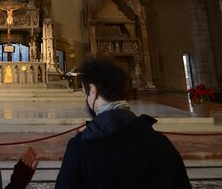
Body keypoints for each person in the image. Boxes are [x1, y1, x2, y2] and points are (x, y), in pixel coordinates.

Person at [55, 56, 191, 188]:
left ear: (93, 90)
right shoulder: (161, 143)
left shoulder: (80, 147)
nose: (86, 98)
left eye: (85, 93)